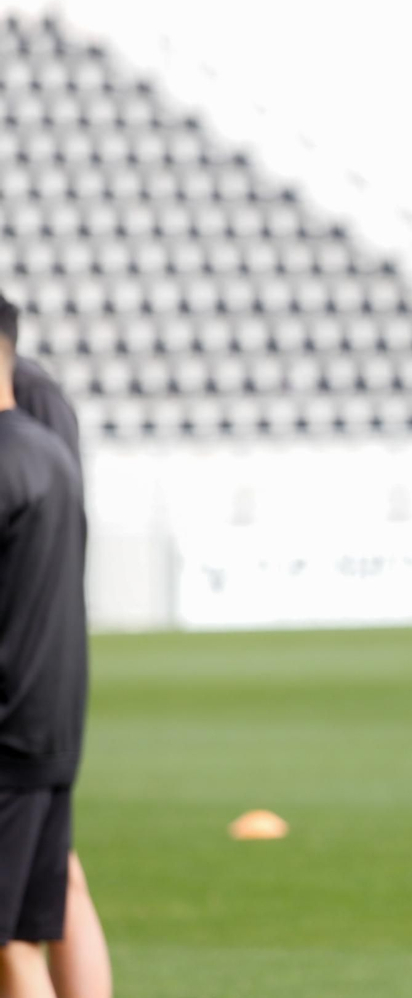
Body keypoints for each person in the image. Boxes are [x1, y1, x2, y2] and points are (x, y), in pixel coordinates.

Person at [10, 353, 112, 998]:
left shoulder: (30, 398)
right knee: (47, 890)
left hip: (25, 691)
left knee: (25, 918)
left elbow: (46, 553)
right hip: (37, 689)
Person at [0, 297, 91, 996]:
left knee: (12, 943)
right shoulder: (50, 451)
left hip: (11, 729)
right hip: (50, 721)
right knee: (29, 930)